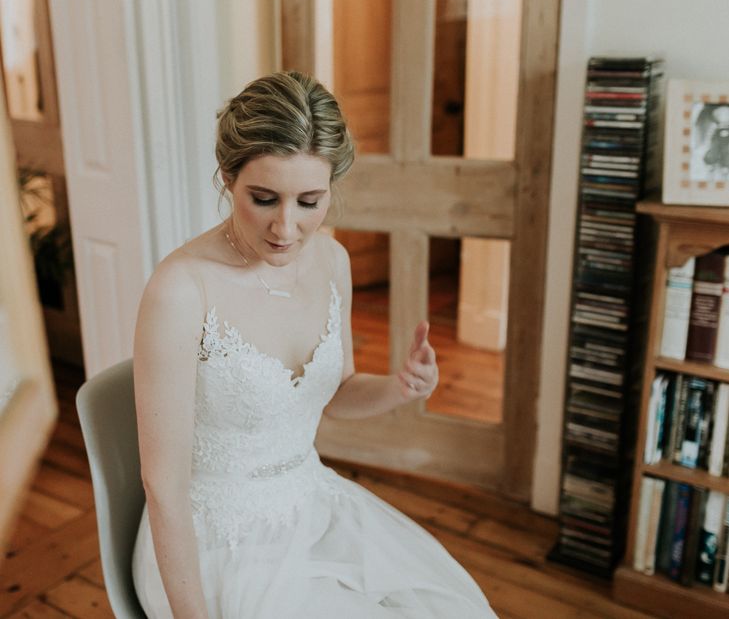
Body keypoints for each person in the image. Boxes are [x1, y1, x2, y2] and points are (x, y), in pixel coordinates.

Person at [131, 70, 497, 618]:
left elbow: (338, 392)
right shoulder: (181, 289)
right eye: (264, 198)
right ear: (228, 177)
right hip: (210, 545)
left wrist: (399, 388)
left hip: (310, 506)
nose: (286, 227)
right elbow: (163, 485)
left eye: (309, 201)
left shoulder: (332, 261)